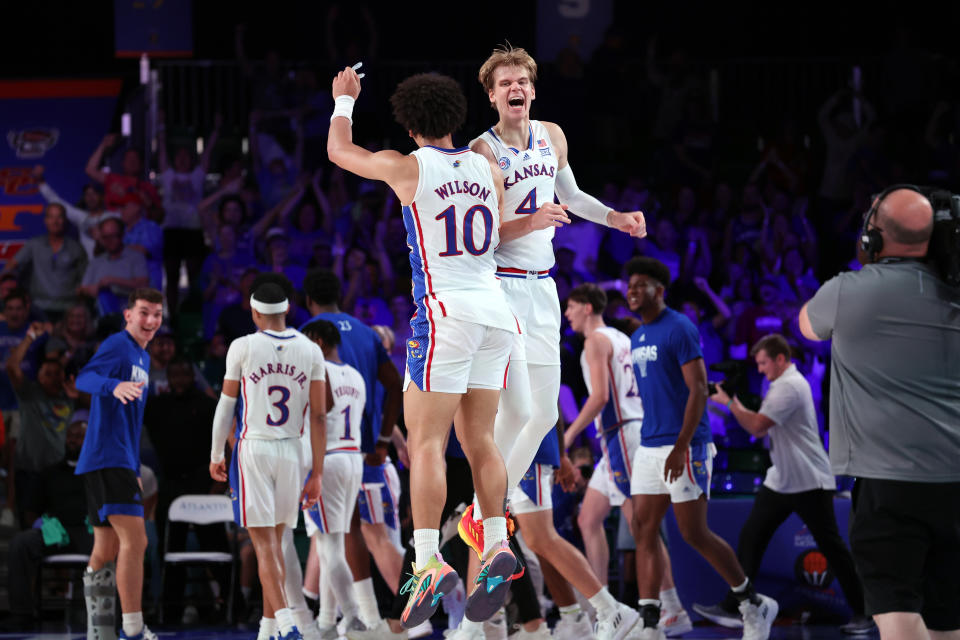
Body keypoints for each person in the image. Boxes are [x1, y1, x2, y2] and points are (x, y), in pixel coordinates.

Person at [327, 67, 563, 627]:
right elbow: (501, 229)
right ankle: (499, 539)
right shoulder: (486, 164)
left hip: (446, 314)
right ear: (459, 117)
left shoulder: (407, 167)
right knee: (480, 437)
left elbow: (339, 150)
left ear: (409, 126)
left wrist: (343, 101)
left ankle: (429, 559)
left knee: (427, 442)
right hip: (496, 313)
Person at [455, 44, 646, 640]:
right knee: (516, 410)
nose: (515, 88)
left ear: (532, 89)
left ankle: (479, 512)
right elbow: (479, 234)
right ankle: (486, 516)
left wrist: (613, 217)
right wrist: (531, 221)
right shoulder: (481, 152)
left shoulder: (552, 135)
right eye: (504, 82)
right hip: (502, 288)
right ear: (491, 95)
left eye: (522, 80)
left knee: (542, 412)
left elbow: (574, 194)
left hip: (544, 291)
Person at [799, 187, 960, 640]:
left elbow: (806, 325)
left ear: (872, 239)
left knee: (898, 617)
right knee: (948, 624)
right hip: (954, 484)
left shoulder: (848, 292)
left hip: (889, 487)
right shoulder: (955, 293)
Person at [624, 257, 777, 640]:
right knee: (643, 530)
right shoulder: (637, 336)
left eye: (640, 284)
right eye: (630, 285)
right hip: (649, 444)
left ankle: (751, 603)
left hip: (685, 446)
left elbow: (697, 388)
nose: (631, 291)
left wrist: (681, 446)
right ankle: (650, 623)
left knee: (693, 532)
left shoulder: (680, 327)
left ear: (660, 290)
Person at [696, 333, 871, 634]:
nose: (760, 369)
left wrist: (728, 401)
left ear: (780, 359)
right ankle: (735, 605)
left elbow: (758, 427)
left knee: (833, 548)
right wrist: (733, 403)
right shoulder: (779, 384)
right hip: (782, 479)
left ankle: (863, 613)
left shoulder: (790, 386)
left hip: (808, 480)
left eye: (764, 363)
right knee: (752, 537)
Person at [563, 283, 692, 636]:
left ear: (587, 307)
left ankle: (672, 606)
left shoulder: (595, 341)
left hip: (622, 434)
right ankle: (602, 610)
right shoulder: (622, 337)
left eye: (571, 306)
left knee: (641, 526)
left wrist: (569, 435)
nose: (567, 314)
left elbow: (600, 397)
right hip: (623, 434)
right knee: (589, 519)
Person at [209, 283, 325, 640]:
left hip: (254, 449)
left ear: (255, 313)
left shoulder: (242, 346)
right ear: (287, 310)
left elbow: (226, 406)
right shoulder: (311, 350)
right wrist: (316, 472)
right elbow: (319, 417)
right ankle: (268, 627)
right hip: (293, 451)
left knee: (264, 548)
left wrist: (216, 453)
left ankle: (288, 625)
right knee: (276, 544)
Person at [300, 268, 404, 615]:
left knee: (359, 537)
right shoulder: (365, 334)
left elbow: (315, 410)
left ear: (308, 300)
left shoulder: (305, 337)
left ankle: (398, 611)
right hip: (365, 452)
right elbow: (394, 385)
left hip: (325, 455)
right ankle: (333, 617)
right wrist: (385, 440)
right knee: (343, 537)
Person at [74, 287, 163, 640]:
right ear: (128, 315)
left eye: (157, 314)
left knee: (106, 548)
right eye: (143, 312)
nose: (151, 320)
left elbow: (130, 425)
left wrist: (134, 465)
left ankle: (100, 632)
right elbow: (84, 378)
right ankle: (133, 629)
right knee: (136, 543)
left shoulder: (143, 356)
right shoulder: (117, 344)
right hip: (108, 458)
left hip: (113, 459)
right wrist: (113, 386)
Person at [300, 319, 379, 639]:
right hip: (352, 458)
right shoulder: (356, 376)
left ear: (317, 341)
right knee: (331, 541)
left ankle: (354, 618)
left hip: (327, 460)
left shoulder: (318, 374)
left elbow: (313, 419)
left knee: (330, 546)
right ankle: (326, 620)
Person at [4, 413, 92, 630]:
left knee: (115, 544)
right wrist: (42, 526)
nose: (72, 440)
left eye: (80, 436)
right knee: (20, 543)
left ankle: (115, 614)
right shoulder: (49, 473)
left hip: (89, 532)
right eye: (70, 436)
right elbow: (31, 510)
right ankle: (22, 613)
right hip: (57, 532)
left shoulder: (100, 473)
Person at [2, 202, 87, 322]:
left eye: (59, 217)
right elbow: (11, 265)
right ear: (45, 220)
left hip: (68, 307)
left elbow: (86, 279)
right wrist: (7, 281)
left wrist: (81, 296)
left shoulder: (76, 248)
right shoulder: (34, 244)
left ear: (65, 221)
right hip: (39, 306)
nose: (55, 221)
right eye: (51, 217)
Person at [79, 218, 150, 317]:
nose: (109, 241)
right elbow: (82, 289)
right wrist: (94, 288)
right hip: (101, 316)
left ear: (121, 235)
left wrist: (113, 280)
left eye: (113, 236)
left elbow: (143, 286)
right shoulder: (96, 262)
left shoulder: (136, 257)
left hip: (131, 314)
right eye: (105, 237)